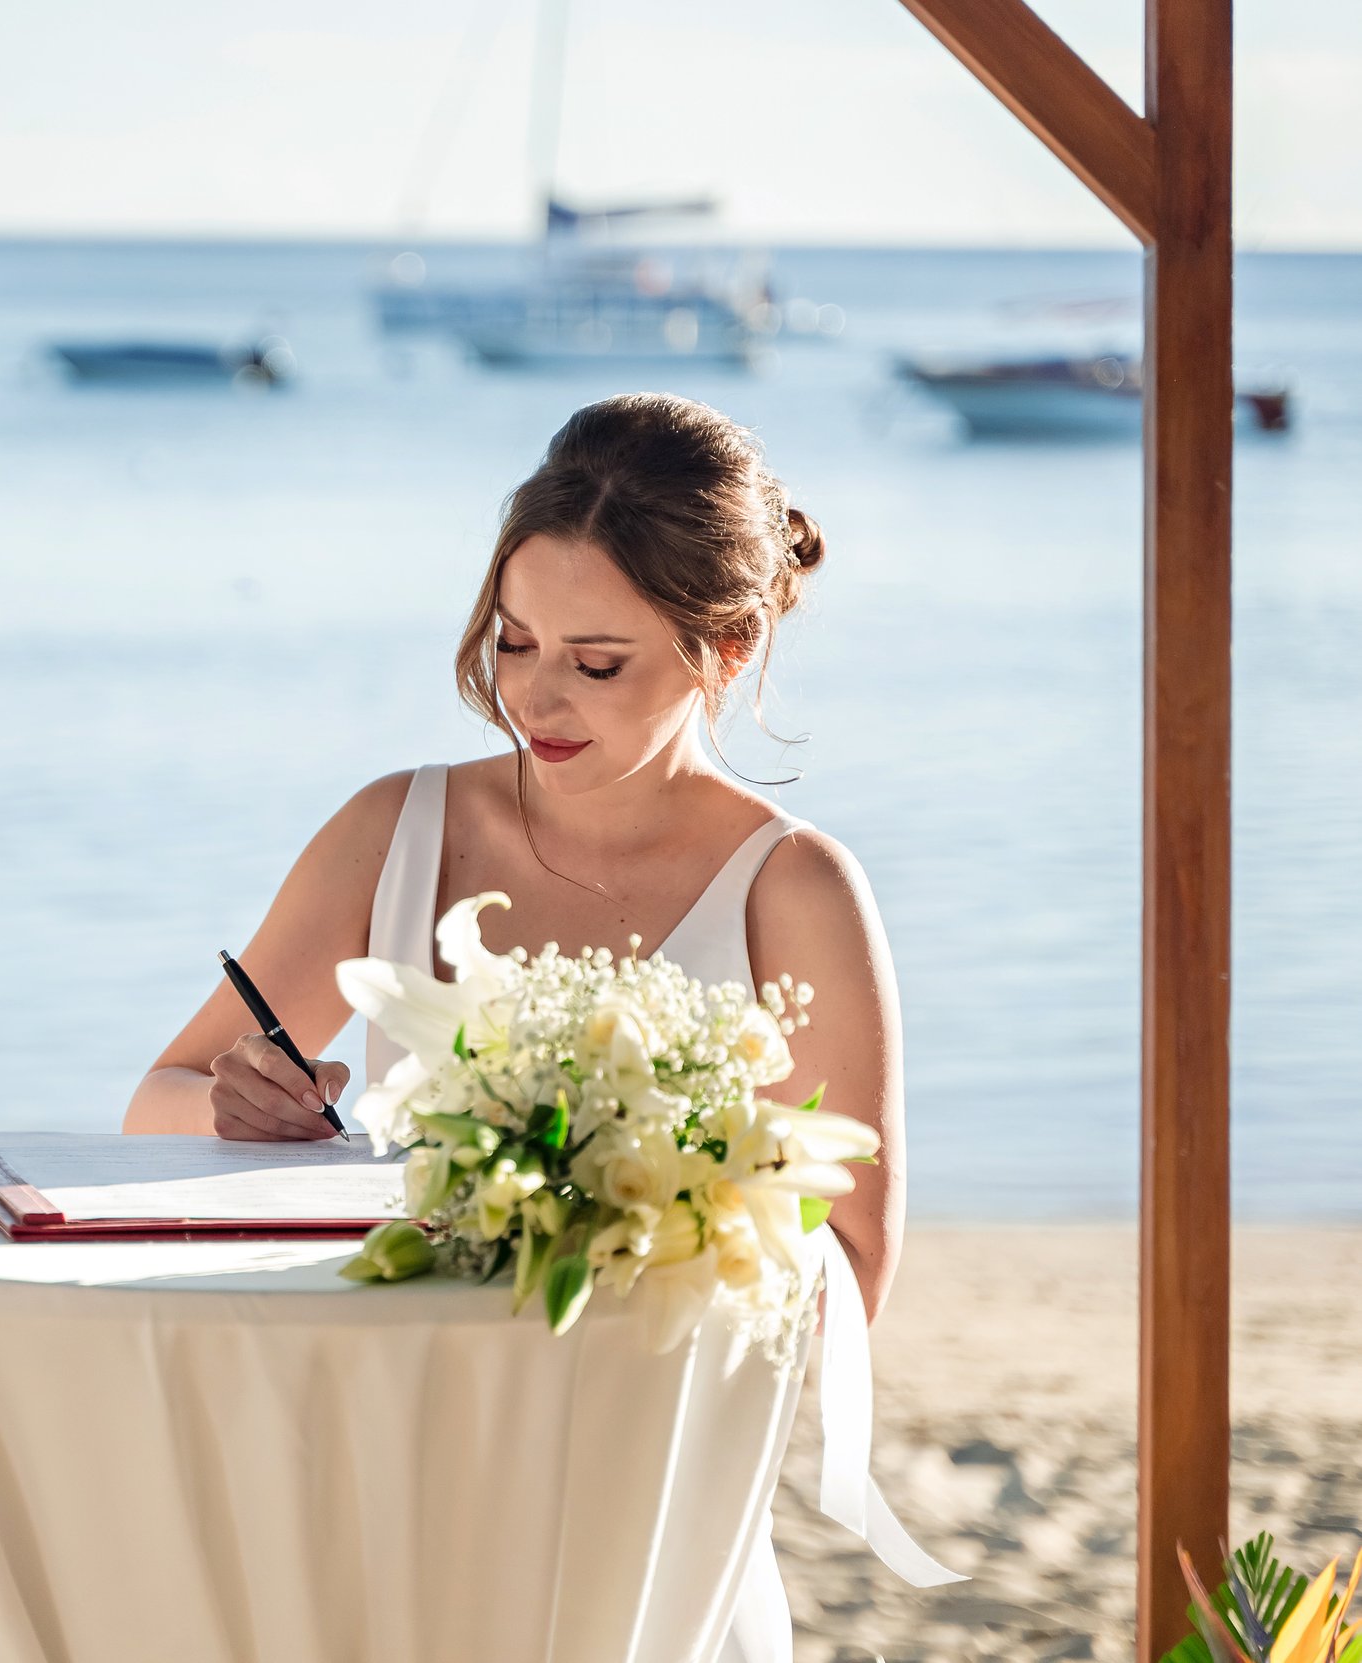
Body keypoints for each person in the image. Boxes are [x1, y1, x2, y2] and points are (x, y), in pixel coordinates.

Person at [126, 392, 905, 1657]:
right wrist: (233, 1107)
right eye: (514, 639)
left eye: (598, 663)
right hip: (373, 1467)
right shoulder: (393, 828)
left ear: (730, 644)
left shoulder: (796, 889)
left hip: (647, 1491)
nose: (536, 695)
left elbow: (853, 1261)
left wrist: (632, 1218)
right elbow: (156, 1096)